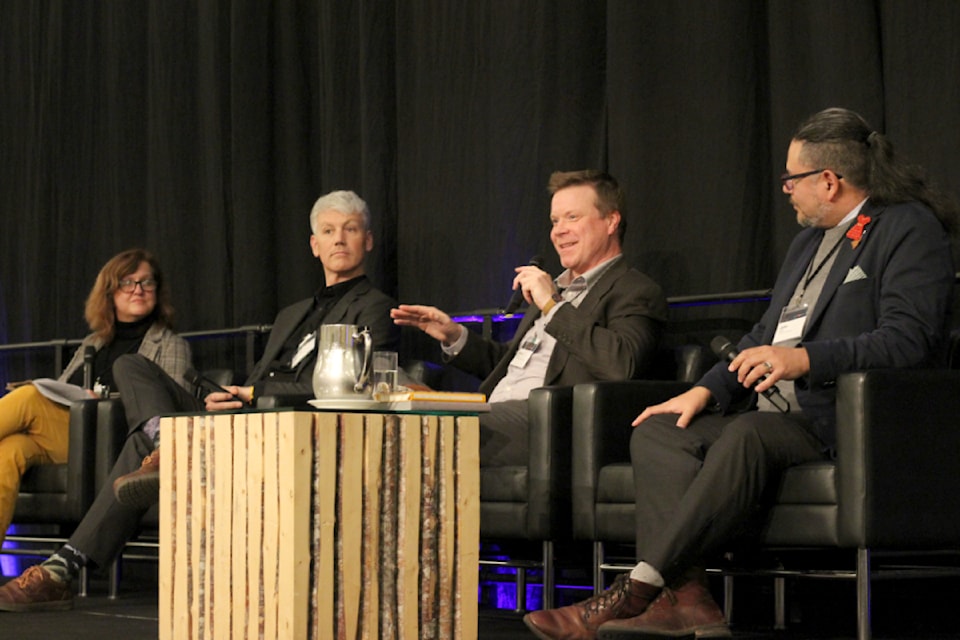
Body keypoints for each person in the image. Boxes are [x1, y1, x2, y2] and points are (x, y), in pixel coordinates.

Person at [523, 107, 957, 640]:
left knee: (749, 434)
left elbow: (908, 341)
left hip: (842, 418)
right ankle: (690, 605)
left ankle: (634, 592)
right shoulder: (806, 244)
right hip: (773, 409)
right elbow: (763, 335)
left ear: (828, 180)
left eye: (791, 179)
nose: (785, 191)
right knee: (660, 429)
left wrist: (804, 360)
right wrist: (704, 390)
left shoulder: (907, 228)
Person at [0, 189, 399, 611]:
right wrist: (224, 395)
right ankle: (163, 442)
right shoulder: (292, 313)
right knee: (132, 367)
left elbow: (352, 388)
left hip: (290, 426)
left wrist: (254, 394)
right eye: (329, 231)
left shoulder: (376, 308)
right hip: (239, 416)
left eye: (350, 230)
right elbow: (258, 379)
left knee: (140, 443)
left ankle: (63, 568)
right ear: (314, 245)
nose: (339, 239)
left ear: (367, 241)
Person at [392, 169, 668, 470]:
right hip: (497, 410)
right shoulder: (555, 291)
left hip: (551, 422)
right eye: (554, 221)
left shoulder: (634, 290)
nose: (558, 231)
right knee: (388, 408)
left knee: (423, 429)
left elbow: (620, 364)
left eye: (572, 218)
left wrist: (553, 304)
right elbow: (511, 364)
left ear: (611, 222)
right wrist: (454, 335)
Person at [0, 248, 190, 550]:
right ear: (110, 292)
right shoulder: (94, 342)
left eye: (146, 282)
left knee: (28, 397)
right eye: (128, 282)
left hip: (115, 441)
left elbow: (164, 408)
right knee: (8, 451)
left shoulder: (169, 344)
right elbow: (60, 391)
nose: (138, 290)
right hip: (71, 436)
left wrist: (101, 399)